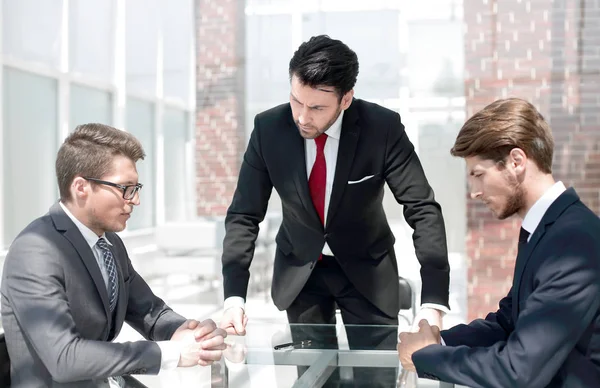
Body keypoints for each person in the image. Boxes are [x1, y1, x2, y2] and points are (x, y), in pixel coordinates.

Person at [220, 34, 450, 335]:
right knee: (313, 380)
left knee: (373, 380)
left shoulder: (382, 129)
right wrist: (234, 297)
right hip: (301, 274)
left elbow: (422, 208)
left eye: (317, 108)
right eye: (296, 100)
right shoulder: (268, 130)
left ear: (346, 99)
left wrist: (433, 301)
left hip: (368, 271)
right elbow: (244, 214)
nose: (302, 117)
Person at [0, 123, 227, 387]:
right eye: (125, 188)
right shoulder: (35, 251)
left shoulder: (109, 243)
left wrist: (190, 333)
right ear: (81, 187)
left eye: (136, 188)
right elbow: (64, 358)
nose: (135, 200)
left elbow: (149, 311)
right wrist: (172, 353)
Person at [398, 98, 600, 387]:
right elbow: (509, 322)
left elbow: (519, 370)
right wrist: (438, 340)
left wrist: (426, 357)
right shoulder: (545, 229)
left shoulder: (573, 240)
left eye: (478, 175)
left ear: (517, 162)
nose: (474, 192)